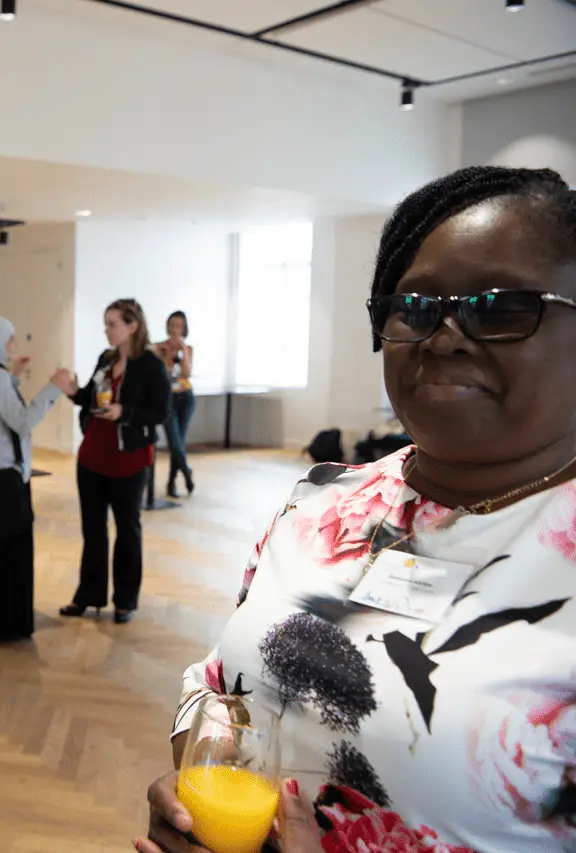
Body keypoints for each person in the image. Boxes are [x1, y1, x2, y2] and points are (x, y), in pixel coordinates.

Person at [137, 166, 576, 853]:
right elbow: (218, 684)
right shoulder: (324, 499)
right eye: (416, 307)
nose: (446, 335)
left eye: (499, 306)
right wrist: (197, 782)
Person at [56, 299, 171, 625]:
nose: (107, 330)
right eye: (106, 323)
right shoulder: (106, 359)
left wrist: (125, 413)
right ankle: (88, 596)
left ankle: (124, 601)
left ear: (132, 326)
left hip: (129, 461)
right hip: (92, 457)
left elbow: (161, 412)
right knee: (93, 532)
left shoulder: (150, 365)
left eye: (112, 324)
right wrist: (72, 391)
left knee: (127, 531)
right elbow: (90, 399)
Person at [0, 316, 72, 642]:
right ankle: (5, 626)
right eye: (9, 339)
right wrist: (54, 388)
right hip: (3, 477)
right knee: (9, 556)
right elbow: (21, 421)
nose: (13, 345)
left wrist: (15, 376)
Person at [153, 311, 195, 498]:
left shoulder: (188, 349)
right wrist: (167, 356)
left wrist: (183, 351)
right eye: (172, 325)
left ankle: (171, 482)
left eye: (178, 326)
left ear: (184, 329)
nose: (174, 329)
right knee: (174, 442)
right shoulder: (159, 348)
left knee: (179, 441)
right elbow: (161, 373)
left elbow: (186, 373)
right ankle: (186, 471)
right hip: (167, 398)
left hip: (186, 397)